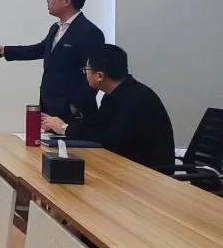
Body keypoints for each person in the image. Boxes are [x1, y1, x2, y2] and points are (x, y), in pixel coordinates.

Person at [41, 44, 175, 171]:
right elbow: (96, 126)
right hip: (124, 164)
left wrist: (65, 128)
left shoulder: (137, 98)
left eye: (86, 70)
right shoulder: (114, 94)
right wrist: (59, 125)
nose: (85, 74)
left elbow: (110, 140)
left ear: (99, 76)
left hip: (147, 172)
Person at [0, 0, 105, 122]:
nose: (48, 0)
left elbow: (94, 74)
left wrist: (74, 107)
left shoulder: (89, 32)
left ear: (66, 1)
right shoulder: (55, 28)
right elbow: (40, 49)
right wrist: (6, 51)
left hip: (73, 113)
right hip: (49, 106)